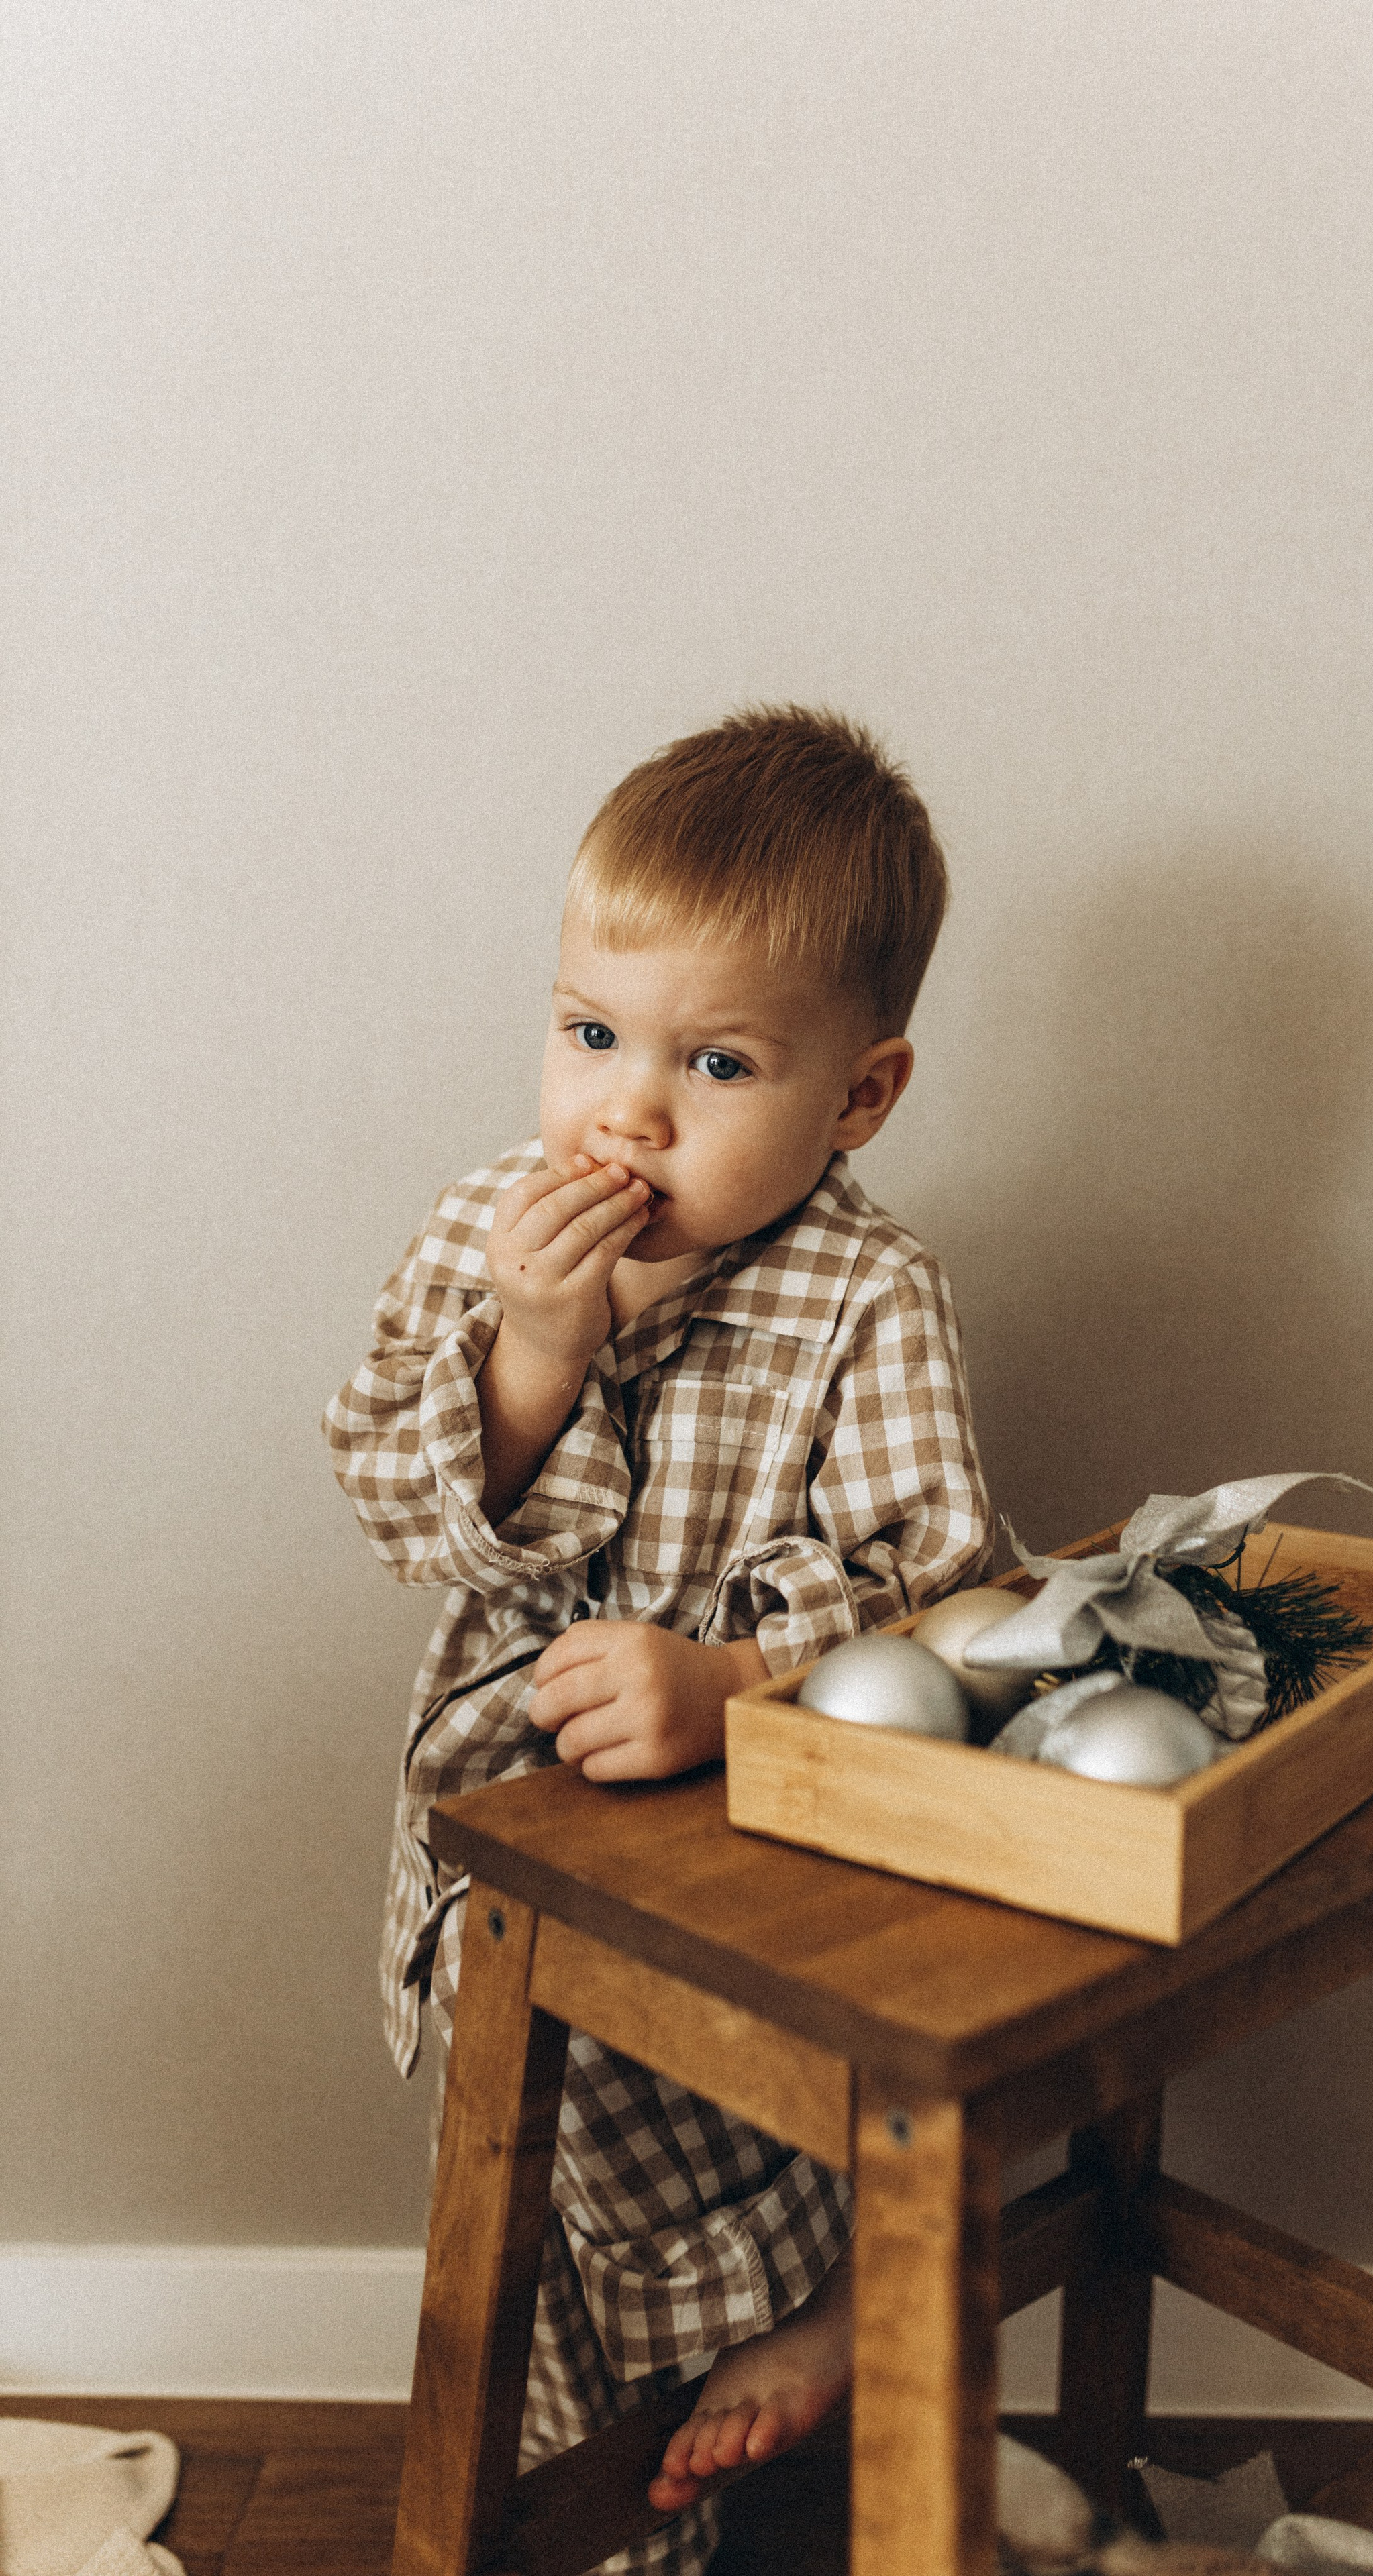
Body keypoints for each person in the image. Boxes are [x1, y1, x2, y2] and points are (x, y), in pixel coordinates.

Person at [324, 705, 993, 2573]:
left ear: (857, 1096)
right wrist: (536, 1355)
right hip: (517, 1810)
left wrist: (735, 1686)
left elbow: (943, 1584)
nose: (627, 1109)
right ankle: (620, 2465)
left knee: (775, 2077)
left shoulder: (866, 1290)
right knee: (540, 2111)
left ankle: (825, 2326)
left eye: (714, 1064)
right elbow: (391, 1503)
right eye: (591, 1036)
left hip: (772, 1824)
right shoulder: (488, 1231)